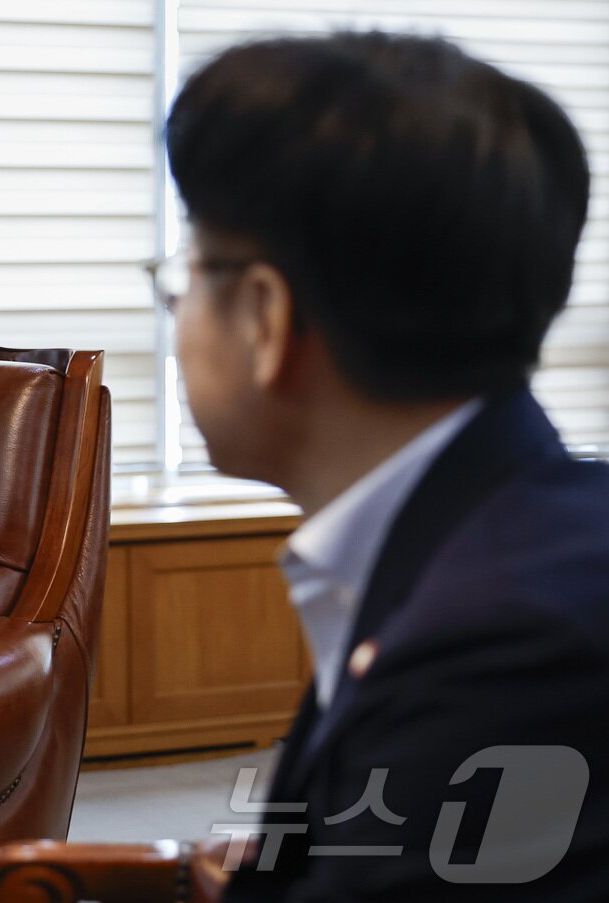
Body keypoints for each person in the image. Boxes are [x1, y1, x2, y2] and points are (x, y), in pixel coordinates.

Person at [161, 32, 609, 900]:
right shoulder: (495, 537)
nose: (176, 316)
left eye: (183, 278)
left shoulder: (503, 646)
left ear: (264, 317)